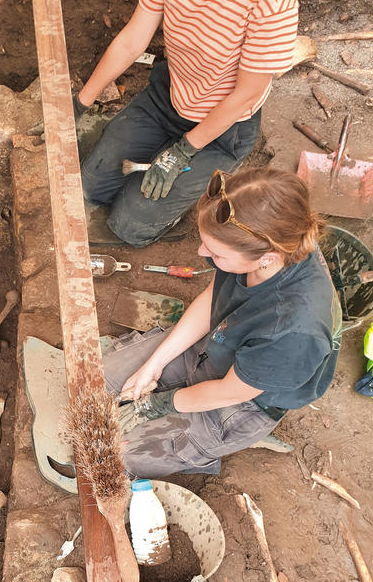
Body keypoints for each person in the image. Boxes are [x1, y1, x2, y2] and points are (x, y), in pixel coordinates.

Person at [77, 0, 298, 247]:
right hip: (169, 95)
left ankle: (189, 199)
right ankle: (159, 160)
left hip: (219, 127)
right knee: (90, 187)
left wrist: (183, 150)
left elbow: (246, 93)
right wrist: (82, 101)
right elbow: (134, 37)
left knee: (129, 226)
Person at [103, 167, 342, 478]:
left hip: (243, 400)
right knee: (101, 380)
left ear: (265, 257)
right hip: (216, 343)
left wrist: (158, 405)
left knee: (118, 456)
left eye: (215, 253)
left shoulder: (295, 329)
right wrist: (155, 363)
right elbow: (214, 295)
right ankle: (174, 417)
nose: (202, 253)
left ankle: (202, 454)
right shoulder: (261, 245)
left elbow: (230, 392)